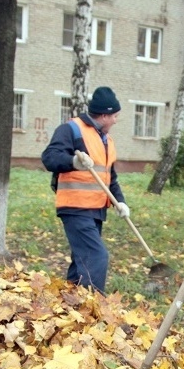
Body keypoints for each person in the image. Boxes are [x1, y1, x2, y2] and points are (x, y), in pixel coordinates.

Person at [41, 86, 130, 294]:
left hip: (96, 210)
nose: (116, 120)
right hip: (75, 207)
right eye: (115, 116)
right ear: (105, 115)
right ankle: (91, 308)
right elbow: (49, 157)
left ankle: (68, 304)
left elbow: (110, 177)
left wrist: (120, 202)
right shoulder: (72, 130)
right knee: (96, 256)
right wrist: (73, 161)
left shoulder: (107, 140)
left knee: (81, 260)